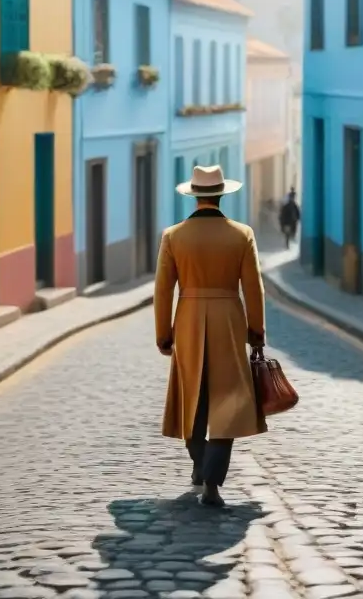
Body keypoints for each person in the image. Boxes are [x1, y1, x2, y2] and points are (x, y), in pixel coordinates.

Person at [154, 165, 267, 508]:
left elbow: (162, 291)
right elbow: (254, 289)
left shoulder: (173, 236)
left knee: (193, 397)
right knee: (227, 401)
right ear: (221, 195)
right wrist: (256, 332)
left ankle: (200, 465)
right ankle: (212, 482)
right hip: (229, 321)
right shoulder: (241, 234)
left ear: (194, 195)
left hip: (188, 320)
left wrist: (164, 335)